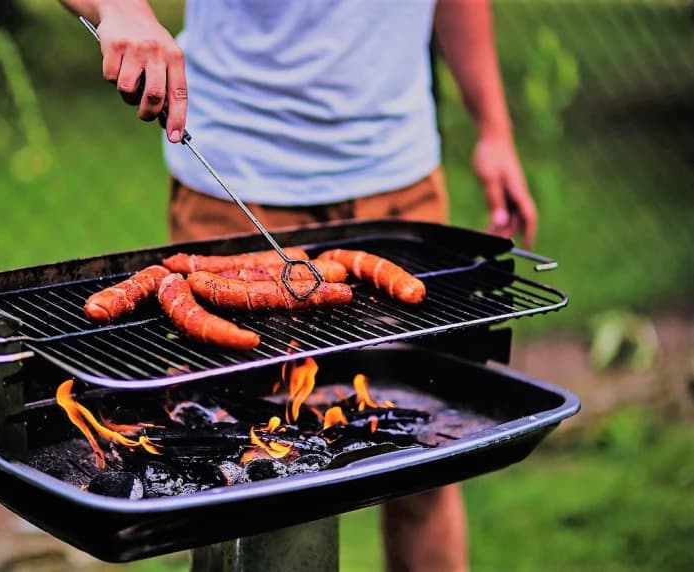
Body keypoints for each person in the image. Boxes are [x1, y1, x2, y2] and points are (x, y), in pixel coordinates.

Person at [63, 1, 537, 570]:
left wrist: (494, 129)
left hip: (398, 181)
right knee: (237, 474)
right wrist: (120, 9)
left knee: (426, 465)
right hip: (235, 178)